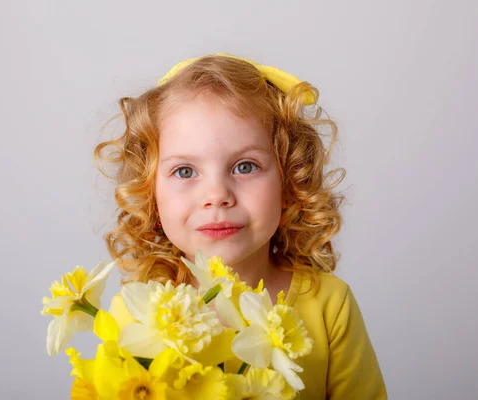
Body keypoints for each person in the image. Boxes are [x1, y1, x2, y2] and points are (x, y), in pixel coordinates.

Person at [94, 53, 387, 399]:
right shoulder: (132, 315)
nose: (217, 196)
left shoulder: (328, 306)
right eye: (185, 171)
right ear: (150, 196)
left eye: (245, 167)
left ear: (289, 183)